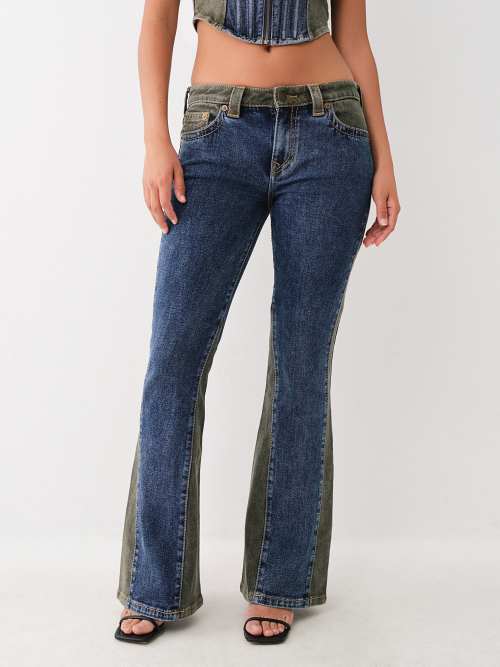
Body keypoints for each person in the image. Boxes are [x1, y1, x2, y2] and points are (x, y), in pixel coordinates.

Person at [114, 0, 401, 646]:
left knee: (302, 366)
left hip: (332, 131)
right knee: (172, 363)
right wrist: (155, 139)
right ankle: (155, 583)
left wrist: (384, 157)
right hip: (217, 131)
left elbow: (354, 37)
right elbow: (157, 20)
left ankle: (280, 582)